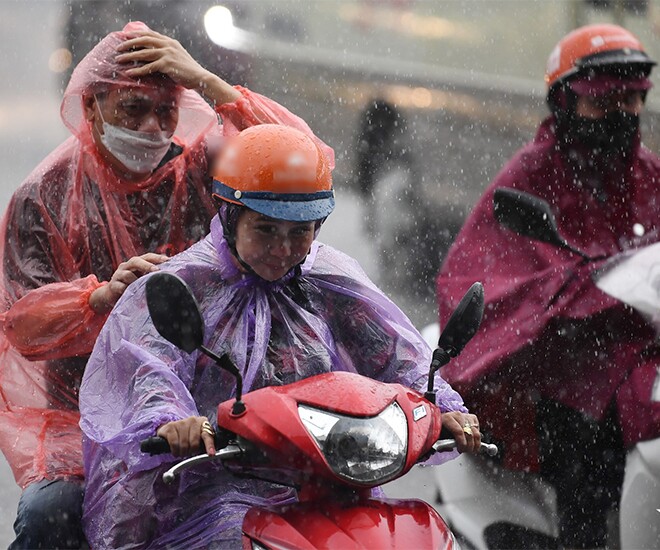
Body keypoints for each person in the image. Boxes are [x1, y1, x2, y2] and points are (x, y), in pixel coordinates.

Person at [0, 21, 334, 549]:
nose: (152, 127)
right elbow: (21, 325)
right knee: (51, 515)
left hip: (218, 404)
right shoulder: (45, 196)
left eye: (166, 110)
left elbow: (302, 164)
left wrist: (210, 83)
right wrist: (98, 300)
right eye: (133, 109)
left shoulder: (205, 170)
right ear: (91, 107)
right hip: (85, 423)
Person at [78, 123, 482, 548]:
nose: (283, 248)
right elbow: (148, 368)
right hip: (213, 487)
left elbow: (396, 354)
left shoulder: (330, 281)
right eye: (266, 229)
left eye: (299, 232)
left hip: (330, 480)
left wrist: (441, 407)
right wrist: (172, 423)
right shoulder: (186, 285)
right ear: (230, 216)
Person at [436, 23, 660, 549]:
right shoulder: (532, 174)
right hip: (555, 367)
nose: (621, 115)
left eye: (631, 100)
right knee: (588, 443)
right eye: (603, 103)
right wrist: (583, 292)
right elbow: (485, 281)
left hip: (641, 360)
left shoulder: (649, 174)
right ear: (564, 102)